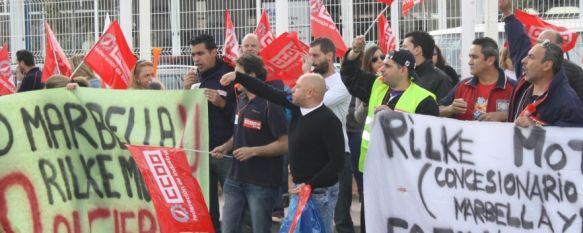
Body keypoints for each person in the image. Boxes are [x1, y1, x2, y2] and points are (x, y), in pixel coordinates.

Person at [221, 71, 345, 233]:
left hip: (319, 192)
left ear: (310, 93)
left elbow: (337, 162)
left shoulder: (329, 121)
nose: (293, 89)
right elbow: (267, 91)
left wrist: (310, 185)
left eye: (298, 87)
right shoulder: (295, 107)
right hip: (300, 188)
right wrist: (238, 76)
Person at [211, 54, 288, 233]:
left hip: (261, 182)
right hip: (235, 179)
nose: (233, 78)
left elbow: (285, 144)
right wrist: (225, 147)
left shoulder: (271, 103)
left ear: (252, 76)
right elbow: (239, 134)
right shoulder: (242, 99)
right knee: (228, 228)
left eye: (238, 74)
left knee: (260, 229)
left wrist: (254, 151)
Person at [341, 37, 438, 172]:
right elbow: (349, 75)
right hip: (373, 168)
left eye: (387, 66)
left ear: (403, 70)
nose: (381, 69)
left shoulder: (424, 99)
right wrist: (355, 52)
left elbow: (427, 140)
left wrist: (395, 117)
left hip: (403, 173)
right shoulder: (377, 85)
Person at [303, 37, 353, 233]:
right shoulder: (310, 81)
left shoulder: (342, 82)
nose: (311, 60)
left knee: (340, 217)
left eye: (315, 55)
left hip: (338, 155)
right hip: (314, 158)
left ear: (330, 56)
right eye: (309, 55)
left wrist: (305, 76)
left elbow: (312, 103)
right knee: (313, 213)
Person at [185, 34, 235, 232]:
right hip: (200, 153)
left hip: (226, 152)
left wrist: (222, 103)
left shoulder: (229, 76)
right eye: (193, 55)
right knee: (206, 208)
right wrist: (185, 89)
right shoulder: (193, 76)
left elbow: (243, 112)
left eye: (200, 53)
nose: (196, 59)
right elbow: (182, 111)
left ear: (213, 52)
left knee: (233, 207)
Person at [500, 0, 583, 103]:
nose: (540, 47)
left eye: (546, 44)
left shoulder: (574, 72)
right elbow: (518, 43)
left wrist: (536, 119)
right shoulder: (528, 63)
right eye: (538, 43)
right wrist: (507, 13)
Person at [439, 37, 515, 121]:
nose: (470, 62)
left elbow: (527, 118)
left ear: (490, 60)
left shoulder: (513, 88)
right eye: (470, 57)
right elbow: (436, 109)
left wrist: (505, 116)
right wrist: (450, 109)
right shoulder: (463, 85)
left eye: (474, 57)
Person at [509, 41, 583, 127]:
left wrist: (536, 126)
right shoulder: (522, 86)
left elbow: (572, 136)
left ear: (547, 65)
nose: (523, 60)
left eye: (531, 57)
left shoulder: (568, 103)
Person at [401, 31, 453, 100]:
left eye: (405, 47)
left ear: (417, 50)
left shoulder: (440, 79)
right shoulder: (404, 73)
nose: (401, 50)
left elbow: (444, 107)